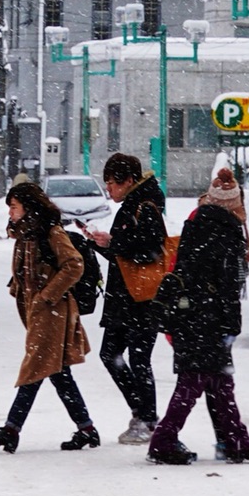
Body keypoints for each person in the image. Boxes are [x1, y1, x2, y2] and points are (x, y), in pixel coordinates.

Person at [146, 168, 249, 465]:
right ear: (233, 204)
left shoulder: (198, 223)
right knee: (194, 381)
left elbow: (196, 273)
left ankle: (235, 440)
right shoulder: (225, 231)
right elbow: (227, 285)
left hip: (193, 315)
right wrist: (231, 324)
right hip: (207, 319)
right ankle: (163, 441)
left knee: (219, 383)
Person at [0, 181, 98, 453]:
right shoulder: (25, 234)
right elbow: (24, 271)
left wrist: (46, 296)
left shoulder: (50, 232)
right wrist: (19, 289)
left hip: (52, 312)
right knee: (58, 373)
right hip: (38, 310)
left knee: (35, 366)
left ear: (28, 207)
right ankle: (87, 429)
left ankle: (11, 429)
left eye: (13, 207)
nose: (10, 212)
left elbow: (74, 265)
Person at [87, 152, 168, 444]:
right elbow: (126, 254)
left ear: (129, 181)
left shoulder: (145, 206)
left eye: (112, 184)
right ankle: (142, 412)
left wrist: (115, 242)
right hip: (125, 298)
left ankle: (146, 419)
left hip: (143, 299)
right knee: (111, 354)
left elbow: (150, 251)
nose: (108, 190)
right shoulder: (133, 205)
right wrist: (102, 245)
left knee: (138, 357)